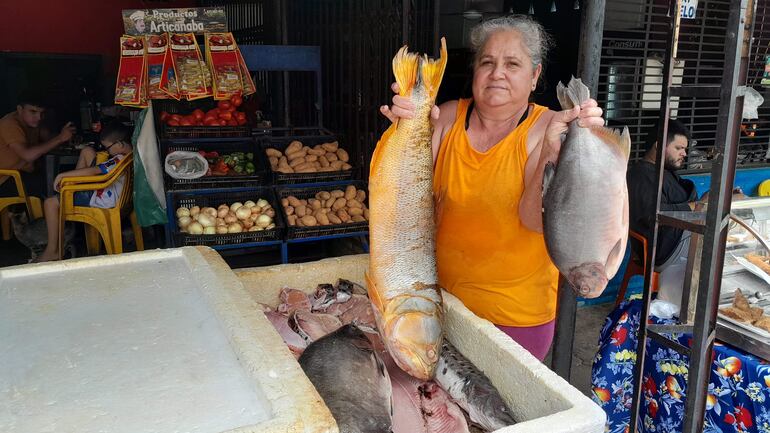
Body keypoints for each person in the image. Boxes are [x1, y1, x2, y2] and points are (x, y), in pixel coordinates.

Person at [378, 15, 605, 360]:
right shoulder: (448, 118)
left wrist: (553, 149)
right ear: (474, 71)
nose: (497, 73)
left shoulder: (548, 128)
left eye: (512, 64)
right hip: (437, 307)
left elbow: (535, 221)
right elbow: (400, 197)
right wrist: (404, 124)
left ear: (534, 75)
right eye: (487, 62)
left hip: (515, 321)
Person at [37, 122, 132, 262]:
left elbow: (96, 171)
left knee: (50, 203)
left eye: (107, 147)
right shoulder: (131, 154)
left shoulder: (119, 159)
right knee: (87, 151)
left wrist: (63, 175)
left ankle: (52, 251)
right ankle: (73, 186)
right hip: (115, 196)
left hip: (100, 199)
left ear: (119, 144)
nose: (106, 151)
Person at [0, 91, 75, 198]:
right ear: (20, 109)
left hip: (24, 173)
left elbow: (48, 139)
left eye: (42, 113)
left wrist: (66, 135)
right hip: (5, 179)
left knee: (65, 177)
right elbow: (28, 155)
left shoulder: (34, 122)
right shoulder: (9, 124)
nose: (39, 117)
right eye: (33, 112)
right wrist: (60, 138)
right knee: (54, 185)